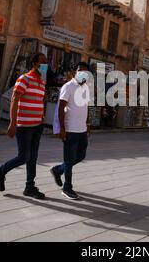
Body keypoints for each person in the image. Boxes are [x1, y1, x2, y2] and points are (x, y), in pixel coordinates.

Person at [0, 53, 48, 200]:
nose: (44, 65)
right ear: (34, 63)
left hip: (37, 126)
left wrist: (41, 116)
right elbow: (14, 100)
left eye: (46, 63)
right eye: (42, 62)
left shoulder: (42, 83)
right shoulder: (24, 79)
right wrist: (12, 122)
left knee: (33, 157)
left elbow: (40, 101)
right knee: (24, 156)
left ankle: (30, 187)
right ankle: (0, 171)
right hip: (24, 125)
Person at [50, 62, 91, 200]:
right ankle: (67, 188)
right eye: (80, 71)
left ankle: (58, 170)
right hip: (70, 129)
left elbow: (86, 107)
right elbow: (61, 108)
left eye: (85, 72)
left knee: (80, 156)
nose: (82, 73)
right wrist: (61, 128)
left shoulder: (86, 88)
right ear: (75, 72)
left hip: (82, 129)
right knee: (69, 158)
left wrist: (87, 123)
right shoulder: (68, 86)